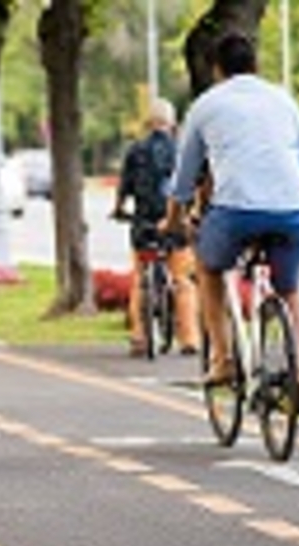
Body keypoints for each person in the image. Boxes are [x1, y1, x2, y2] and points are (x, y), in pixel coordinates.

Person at [159, 32, 299, 413]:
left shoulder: (207, 105)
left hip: (236, 210)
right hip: (291, 208)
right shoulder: (284, 100)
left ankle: (223, 359)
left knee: (209, 269)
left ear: (216, 69)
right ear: (256, 65)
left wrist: (173, 221)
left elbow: (183, 179)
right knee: (289, 289)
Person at [112, 97, 199, 357]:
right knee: (182, 281)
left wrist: (118, 210)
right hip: (175, 224)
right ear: (172, 123)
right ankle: (189, 339)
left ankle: (139, 336)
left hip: (144, 224)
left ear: (148, 122)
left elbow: (124, 187)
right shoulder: (181, 151)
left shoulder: (135, 151)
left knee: (140, 279)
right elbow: (191, 186)